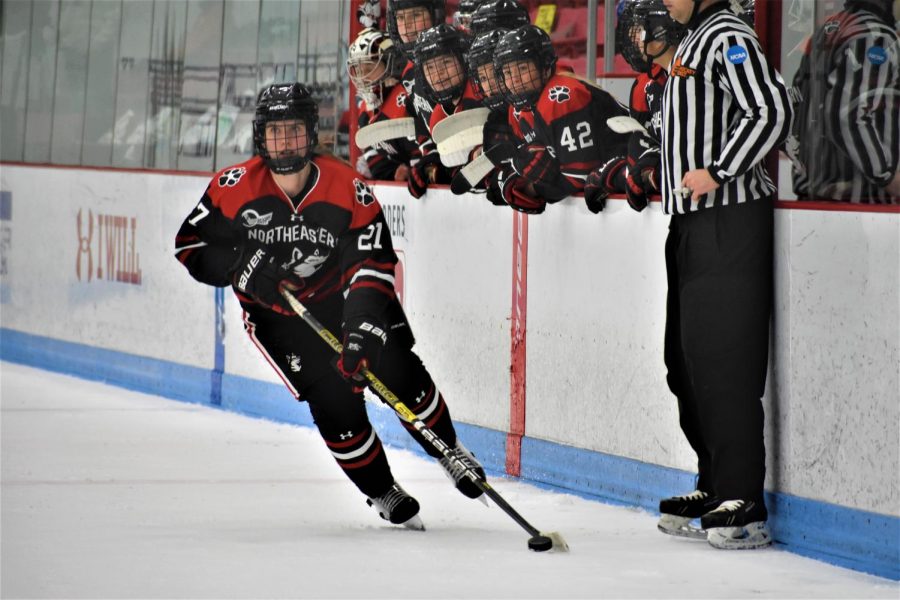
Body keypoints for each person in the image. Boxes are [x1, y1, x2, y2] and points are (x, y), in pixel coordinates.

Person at [174, 83, 485, 530]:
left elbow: (373, 264)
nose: (285, 142)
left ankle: (450, 449)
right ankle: (381, 489)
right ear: (261, 137)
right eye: (275, 132)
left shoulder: (348, 188)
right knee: (334, 401)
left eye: (294, 131)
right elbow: (191, 245)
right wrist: (245, 269)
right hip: (280, 319)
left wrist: (359, 329)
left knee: (398, 370)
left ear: (311, 133)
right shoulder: (232, 187)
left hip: (347, 300)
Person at [658, 0, 792, 549]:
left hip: (729, 221)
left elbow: (773, 109)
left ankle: (744, 496)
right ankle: (714, 481)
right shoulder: (693, 38)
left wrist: (718, 170)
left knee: (723, 361)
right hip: (690, 223)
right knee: (683, 361)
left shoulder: (726, 35)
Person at [491, 25, 630, 214]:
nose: (514, 79)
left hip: (634, 176)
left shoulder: (560, 98)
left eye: (522, 68)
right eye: (507, 73)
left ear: (545, 67)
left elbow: (579, 175)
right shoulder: (522, 110)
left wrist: (532, 189)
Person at [790, 0, 899, 202]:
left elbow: (797, 103)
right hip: (861, 202)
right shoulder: (876, 37)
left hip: (818, 198)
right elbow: (849, 115)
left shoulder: (829, 29)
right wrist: (888, 177)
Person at [597, 0, 685, 212]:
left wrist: (654, 172)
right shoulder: (644, 85)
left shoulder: (691, 76)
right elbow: (642, 145)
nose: (633, 40)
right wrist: (623, 173)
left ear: (663, 29)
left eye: (638, 30)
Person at [347, 27, 415, 182]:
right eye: (357, 69)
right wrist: (393, 173)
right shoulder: (365, 108)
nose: (362, 76)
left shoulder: (408, 97)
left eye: (369, 68)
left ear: (391, 64)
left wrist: (419, 170)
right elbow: (373, 156)